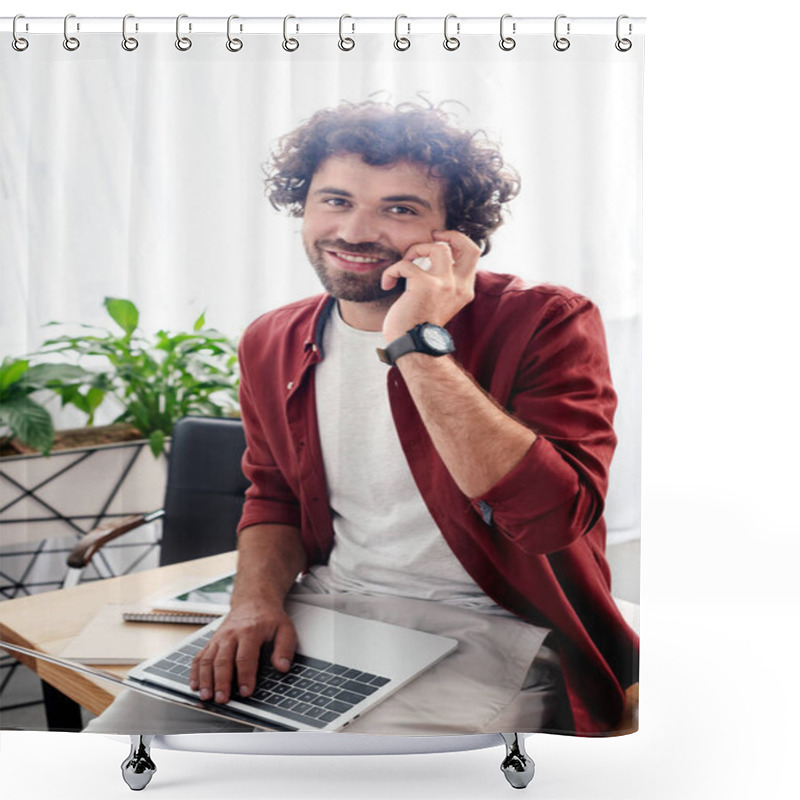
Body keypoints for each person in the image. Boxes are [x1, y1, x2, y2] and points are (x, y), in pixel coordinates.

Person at [183, 100, 639, 736]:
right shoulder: (270, 340)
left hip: (498, 626)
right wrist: (252, 601)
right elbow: (275, 495)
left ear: (455, 236)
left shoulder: (546, 321)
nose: (355, 230)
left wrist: (418, 342)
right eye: (334, 201)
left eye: (400, 209)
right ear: (303, 207)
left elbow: (552, 519)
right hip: (329, 606)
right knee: (136, 744)